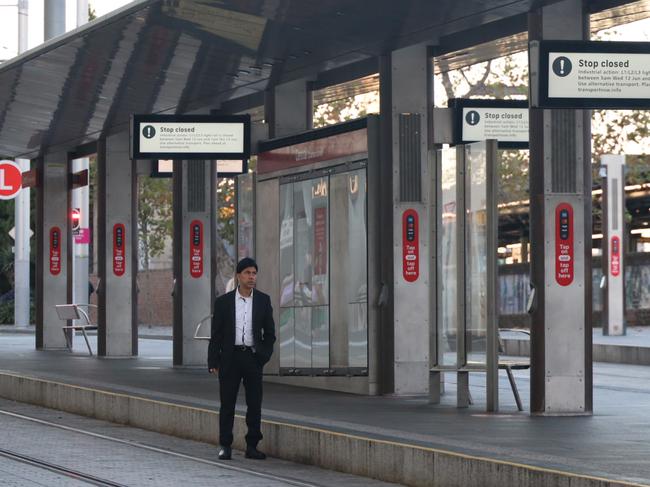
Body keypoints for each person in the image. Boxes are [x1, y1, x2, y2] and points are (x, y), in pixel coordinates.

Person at [208, 257, 276, 461]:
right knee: (227, 404)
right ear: (238, 276)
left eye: (254, 273)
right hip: (230, 358)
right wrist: (213, 361)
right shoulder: (223, 303)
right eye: (247, 273)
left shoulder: (263, 300)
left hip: (252, 358)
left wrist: (262, 356)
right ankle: (225, 445)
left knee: (254, 404)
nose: (251, 277)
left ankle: (252, 445)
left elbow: (270, 334)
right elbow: (216, 335)